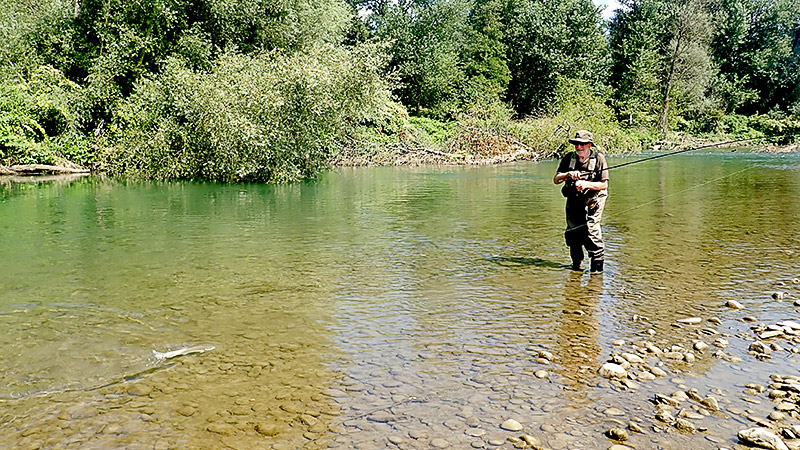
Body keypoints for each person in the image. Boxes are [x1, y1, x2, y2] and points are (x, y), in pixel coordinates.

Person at [553, 130, 609, 272]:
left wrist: (586, 184)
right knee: (574, 230)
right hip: (574, 197)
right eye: (576, 144)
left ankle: (596, 272)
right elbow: (556, 179)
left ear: (589, 144)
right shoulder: (568, 158)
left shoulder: (599, 159)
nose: (579, 147)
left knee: (592, 230)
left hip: (595, 197)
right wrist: (568, 174)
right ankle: (577, 267)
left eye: (582, 144)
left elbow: (604, 185)